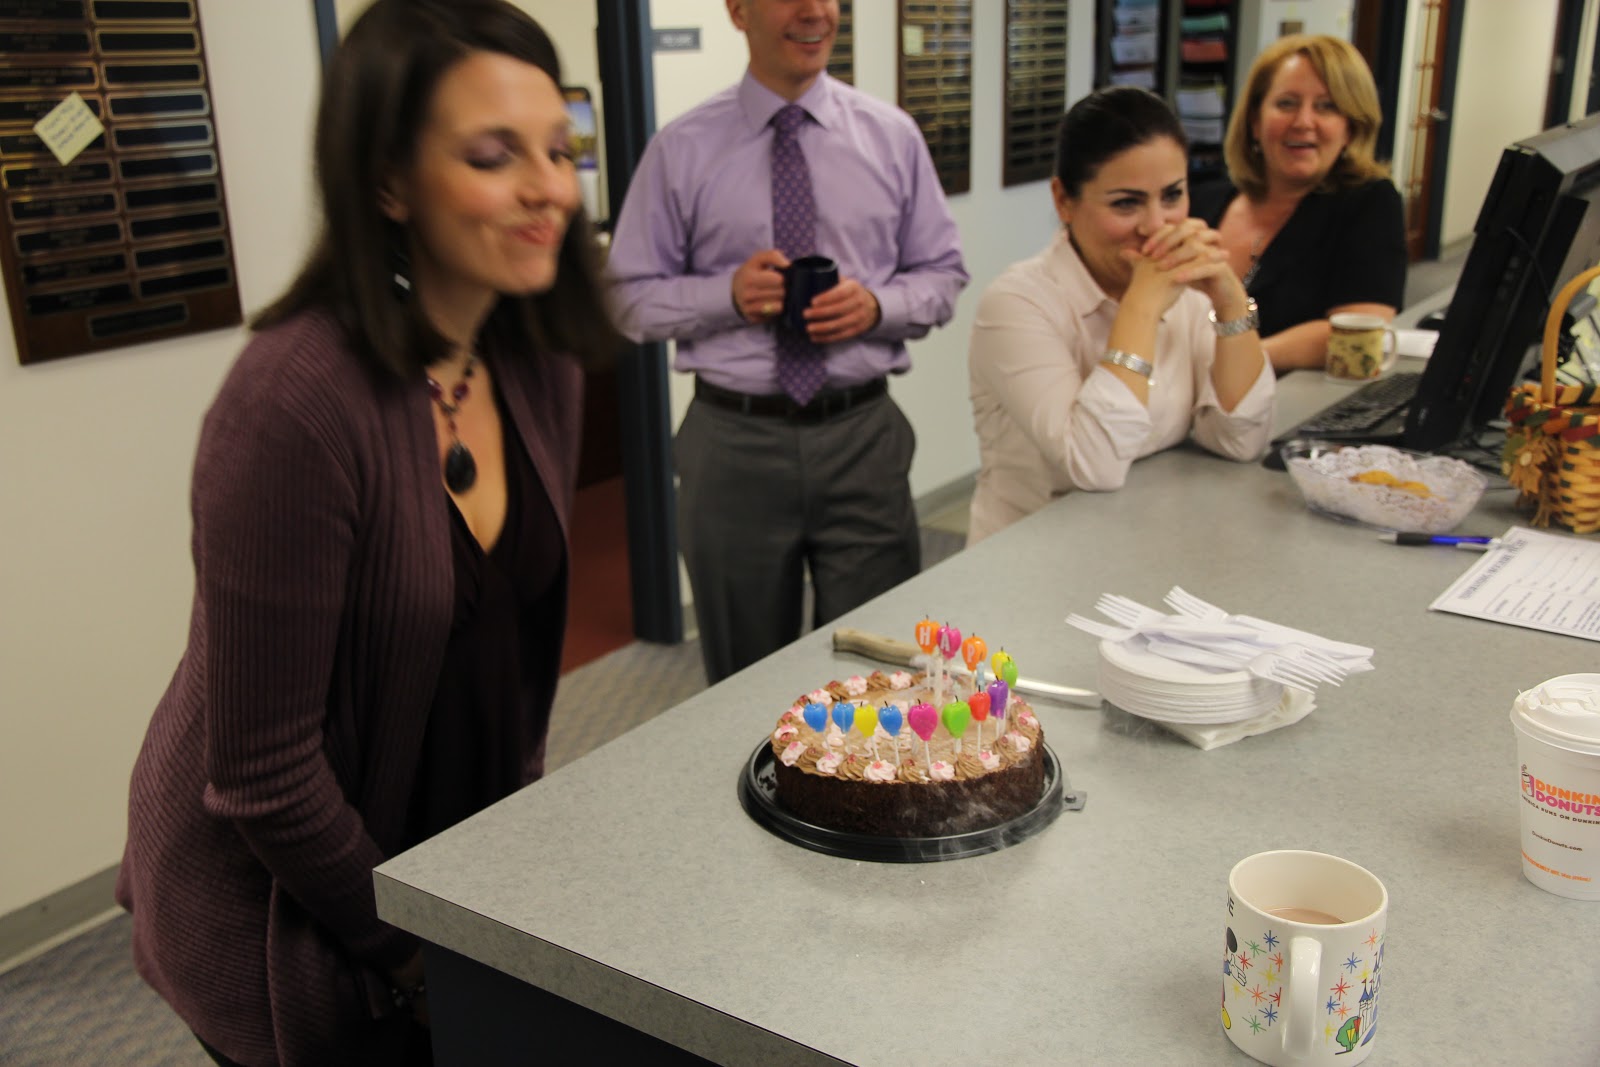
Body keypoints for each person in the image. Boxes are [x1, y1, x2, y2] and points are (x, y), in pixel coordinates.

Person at [114, 2, 618, 1063]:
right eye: (493, 155)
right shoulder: (294, 404)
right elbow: (262, 774)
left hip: (435, 863)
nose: (549, 188)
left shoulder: (535, 357)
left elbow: (508, 660)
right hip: (281, 910)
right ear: (389, 183)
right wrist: (413, 954)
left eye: (559, 147)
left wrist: (499, 887)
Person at [607, 0, 968, 684]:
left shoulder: (891, 137)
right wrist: (726, 295)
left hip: (862, 437)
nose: (815, 12)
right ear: (737, 10)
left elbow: (943, 275)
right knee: (744, 684)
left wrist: (877, 306)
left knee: (877, 675)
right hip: (733, 445)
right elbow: (625, 298)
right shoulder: (681, 148)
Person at [966, 87, 1274, 545]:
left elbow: (1240, 440)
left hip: (1142, 545)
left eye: (1172, 196)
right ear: (1063, 201)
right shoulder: (1016, 303)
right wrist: (1142, 307)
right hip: (1031, 559)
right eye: (1126, 203)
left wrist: (1231, 300)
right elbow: (1094, 465)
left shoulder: (1185, 292)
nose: (1156, 226)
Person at [1191, 34, 1407, 373]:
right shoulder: (1201, 200)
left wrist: (1233, 362)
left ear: (1351, 127)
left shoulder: (1371, 204)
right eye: (1287, 103)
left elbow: (1358, 332)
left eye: (1326, 106)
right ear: (1255, 121)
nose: (1304, 122)